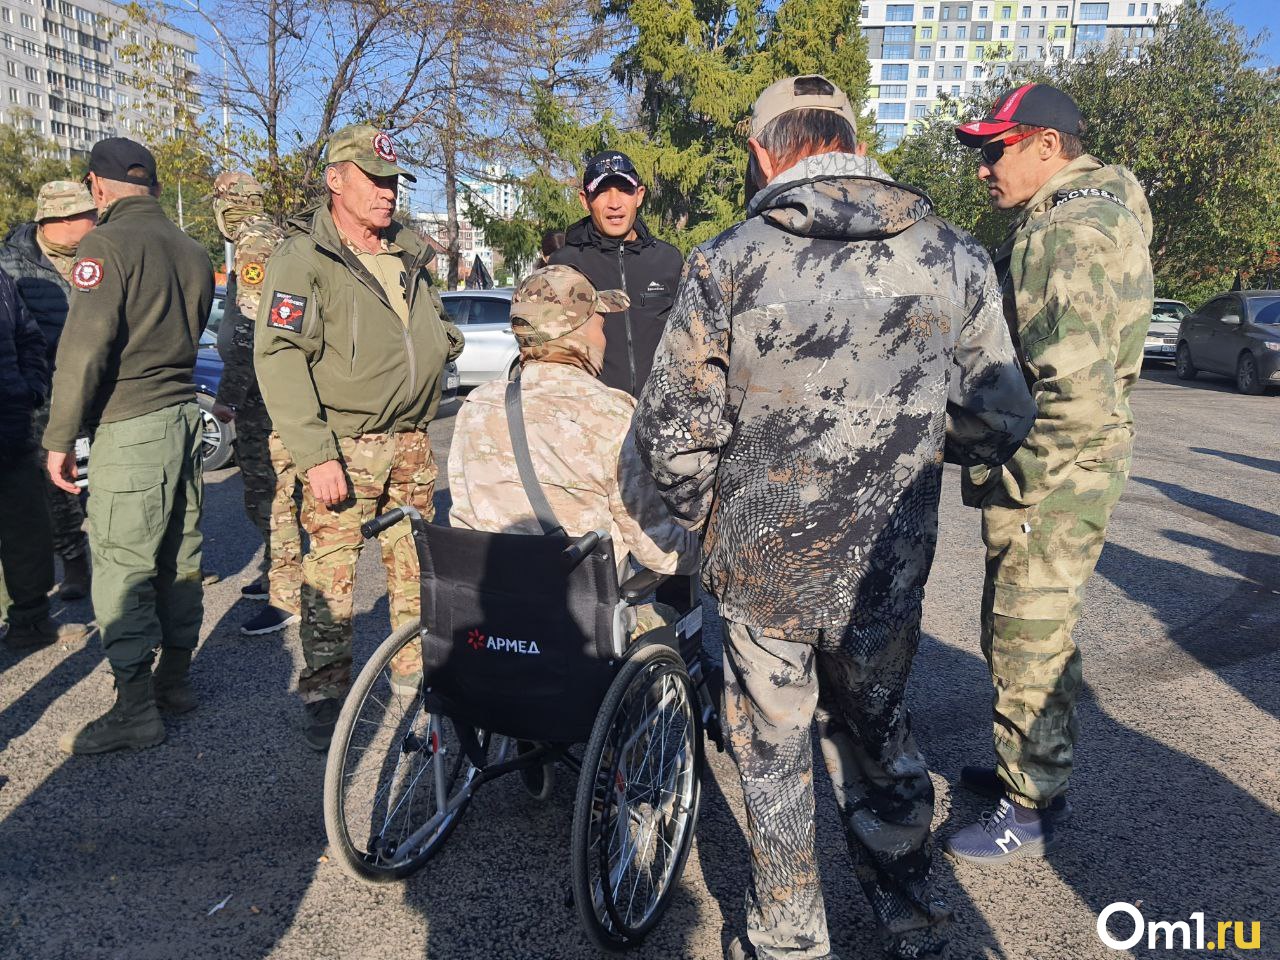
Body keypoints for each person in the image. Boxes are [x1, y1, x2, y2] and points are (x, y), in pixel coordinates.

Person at [634, 75, 1036, 960]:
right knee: (878, 729)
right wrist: (916, 458)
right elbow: (1002, 415)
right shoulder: (956, 257)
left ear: (763, 150)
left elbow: (670, 432)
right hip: (883, 569)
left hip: (759, 564)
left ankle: (788, 938)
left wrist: (712, 518)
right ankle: (913, 921)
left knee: (774, 758)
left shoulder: (727, 259)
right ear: (853, 139)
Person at [944, 84, 1154, 863]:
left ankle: (1028, 806)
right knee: (1041, 630)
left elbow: (1070, 392)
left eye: (995, 149)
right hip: (1087, 465)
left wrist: (1012, 482)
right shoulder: (1110, 208)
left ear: (1045, 146)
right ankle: (1028, 771)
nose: (984, 169)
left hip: (1057, 473)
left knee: (1026, 634)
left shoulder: (1061, 235)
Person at [254, 124, 465, 750]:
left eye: (393, 182)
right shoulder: (303, 258)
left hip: (411, 441)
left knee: (415, 571)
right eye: (373, 180)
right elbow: (280, 357)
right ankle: (325, 695)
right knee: (332, 574)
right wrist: (316, 453)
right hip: (344, 444)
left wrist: (443, 342)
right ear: (335, 179)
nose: (386, 192)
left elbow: (430, 320)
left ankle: (414, 679)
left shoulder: (406, 251)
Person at [44, 138, 214, 753]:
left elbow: (84, 348)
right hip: (182, 416)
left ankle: (135, 709)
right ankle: (175, 682)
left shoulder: (105, 244)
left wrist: (59, 436)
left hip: (131, 423)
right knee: (177, 555)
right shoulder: (193, 251)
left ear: (97, 186)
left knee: (122, 566)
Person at [448, 263, 698, 581]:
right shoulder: (611, 415)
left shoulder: (476, 405)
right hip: (579, 615)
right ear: (574, 332)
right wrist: (698, 547)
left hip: (490, 609)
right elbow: (658, 549)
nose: (604, 339)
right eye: (599, 326)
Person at [208, 171, 303, 636]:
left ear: (229, 205)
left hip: (263, 396)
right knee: (268, 493)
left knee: (273, 496)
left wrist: (229, 395)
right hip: (265, 392)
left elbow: (252, 330)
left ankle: (288, 594)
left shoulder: (254, 243)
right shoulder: (270, 237)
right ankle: (275, 574)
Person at [0, 181, 98, 599]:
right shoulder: (11, 262)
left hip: (99, 384)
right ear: (60, 219)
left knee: (110, 475)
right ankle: (74, 561)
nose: (96, 219)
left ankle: (129, 559)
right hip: (48, 394)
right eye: (88, 214)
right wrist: (33, 387)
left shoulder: (102, 254)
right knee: (56, 483)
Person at [0, 265, 88, 650]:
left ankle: (30, 622)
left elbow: (28, 338)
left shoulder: (2, 280)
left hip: (11, 424)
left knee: (28, 531)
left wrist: (31, 389)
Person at [547, 150, 683, 396]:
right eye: (601, 191)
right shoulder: (564, 265)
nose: (614, 203)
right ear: (584, 200)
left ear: (639, 195)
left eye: (624, 189)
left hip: (658, 414)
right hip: (592, 416)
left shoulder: (669, 260)